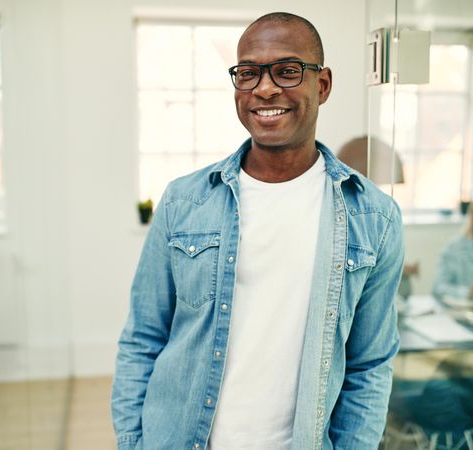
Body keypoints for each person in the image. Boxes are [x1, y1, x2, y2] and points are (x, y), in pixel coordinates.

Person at [112, 12, 404, 450]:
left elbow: (370, 363)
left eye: (287, 71)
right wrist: (134, 442)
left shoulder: (374, 218)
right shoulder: (184, 201)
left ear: (322, 85)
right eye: (248, 74)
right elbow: (143, 338)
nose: (264, 88)